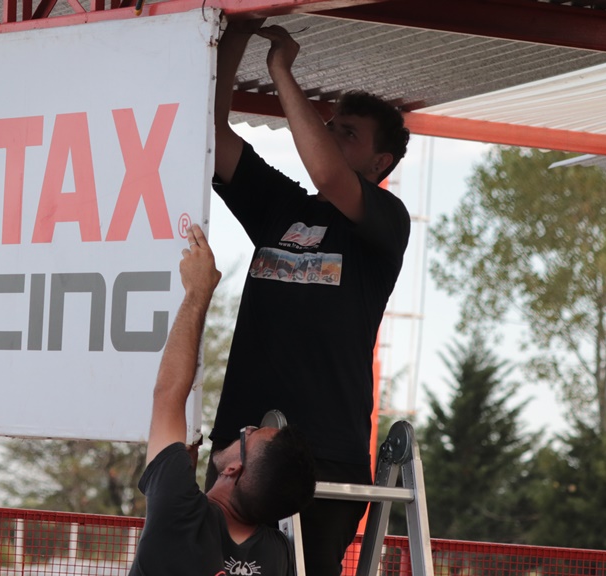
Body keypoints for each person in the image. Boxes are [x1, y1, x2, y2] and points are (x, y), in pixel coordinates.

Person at [205, 19, 412, 576]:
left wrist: (280, 70)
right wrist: (236, 34)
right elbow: (210, 133)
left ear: (380, 164)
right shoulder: (282, 206)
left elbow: (328, 176)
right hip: (240, 450)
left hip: (324, 458)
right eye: (331, 126)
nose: (331, 135)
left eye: (349, 134)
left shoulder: (386, 221)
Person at [128, 224, 316, 576]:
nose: (246, 428)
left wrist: (197, 293)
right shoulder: (276, 556)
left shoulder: (180, 515)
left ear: (232, 470)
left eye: (249, 435)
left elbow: (168, 394)